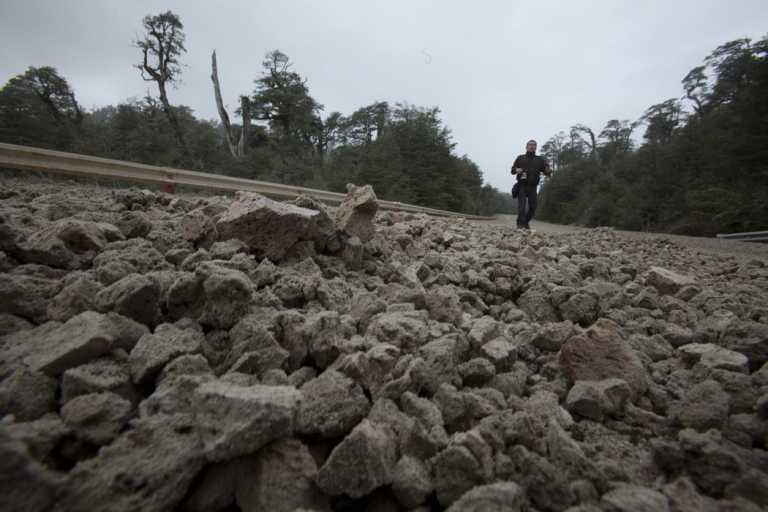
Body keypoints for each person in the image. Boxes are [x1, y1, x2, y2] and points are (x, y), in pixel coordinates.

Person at [511, 139, 551, 229]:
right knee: (522, 206)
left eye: (534, 145)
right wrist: (519, 170)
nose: (532, 146)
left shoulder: (539, 160)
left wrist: (548, 170)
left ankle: (525, 222)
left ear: (536, 147)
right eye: (530, 145)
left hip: (533, 186)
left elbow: (547, 172)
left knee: (533, 207)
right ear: (526, 147)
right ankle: (520, 224)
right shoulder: (520, 158)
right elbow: (512, 170)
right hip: (522, 185)